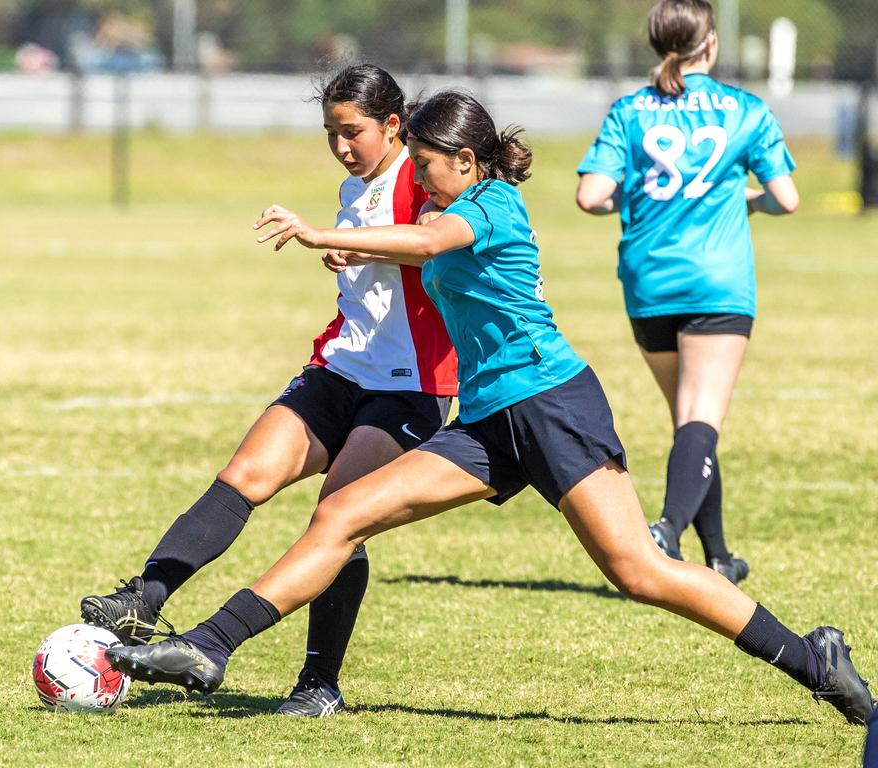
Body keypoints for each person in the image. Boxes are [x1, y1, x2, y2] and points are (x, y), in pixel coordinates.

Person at [104, 89, 875, 726]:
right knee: (343, 512)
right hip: (486, 423)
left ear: (466, 161)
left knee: (641, 571)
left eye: (432, 169)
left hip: (551, 404)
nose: (425, 181)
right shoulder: (454, 206)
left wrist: (318, 234)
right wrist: (361, 248)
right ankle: (209, 645)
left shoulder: (494, 205)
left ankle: (814, 658)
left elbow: (436, 240)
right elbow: (423, 240)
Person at [79, 63, 457, 717]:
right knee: (245, 474)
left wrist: (345, 242)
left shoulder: (420, 180)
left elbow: (433, 247)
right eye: (331, 132)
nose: (342, 146)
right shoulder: (354, 184)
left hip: (411, 387)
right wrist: (351, 246)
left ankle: (319, 683)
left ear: (394, 126)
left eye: (353, 131)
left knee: (339, 518)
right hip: (341, 368)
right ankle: (145, 600)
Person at [575, 0, 799, 585]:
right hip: (717, 282)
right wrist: (748, 199)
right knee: (700, 417)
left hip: (649, 282)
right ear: (712, 45)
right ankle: (668, 528)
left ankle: (720, 556)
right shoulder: (745, 109)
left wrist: (641, 198)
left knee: (691, 421)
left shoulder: (629, 110)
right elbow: (787, 197)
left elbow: (592, 195)